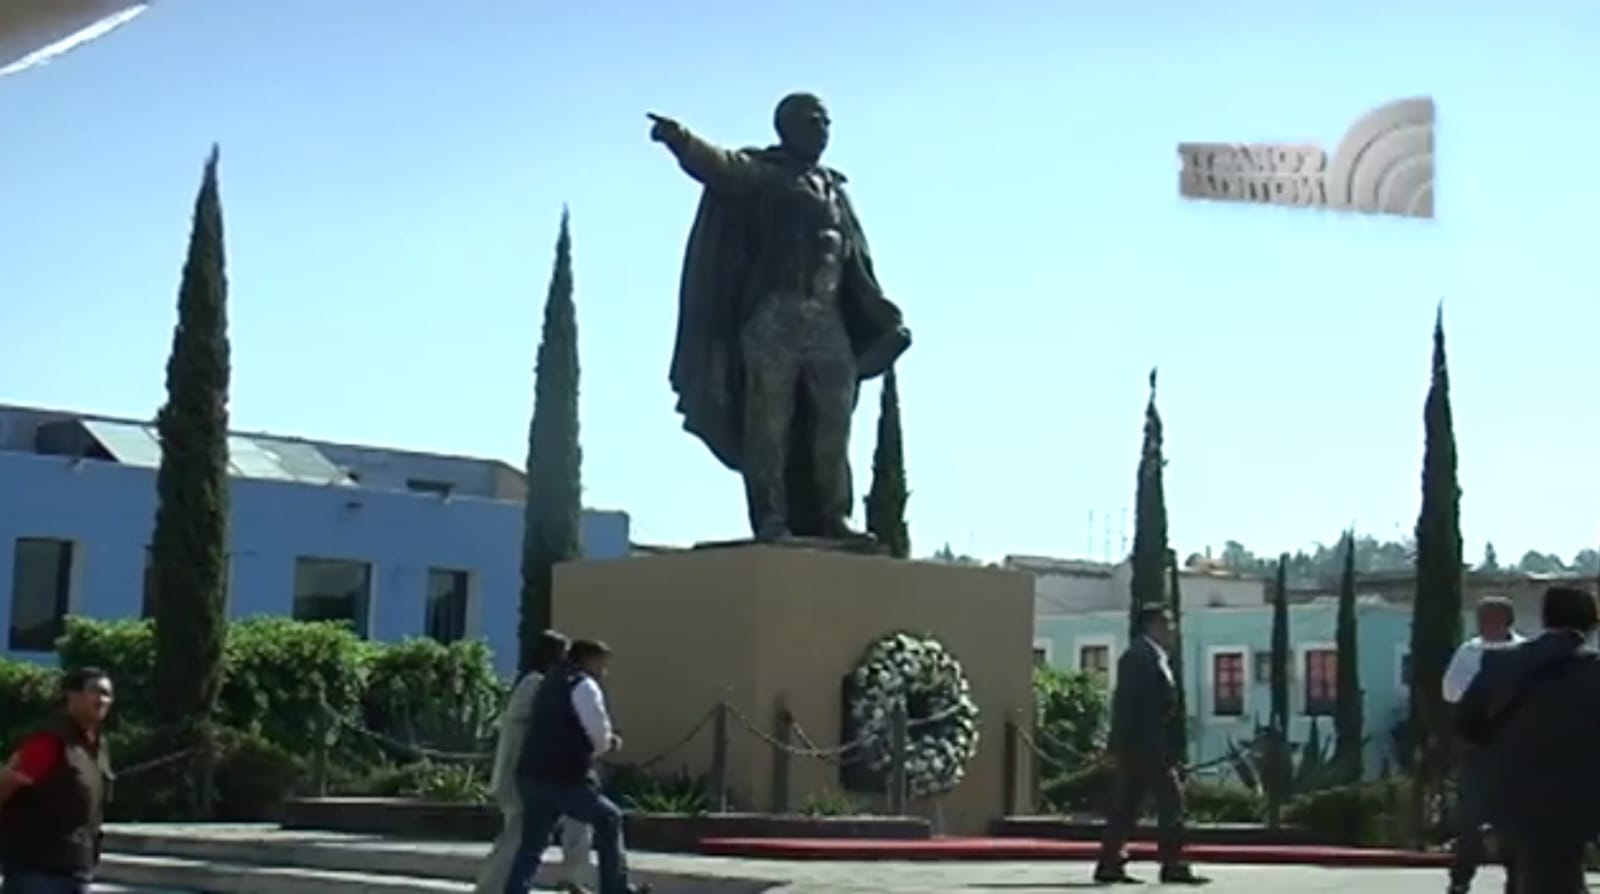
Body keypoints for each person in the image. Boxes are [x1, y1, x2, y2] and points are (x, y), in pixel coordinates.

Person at [647, 93, 911, 542]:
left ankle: (833, 517)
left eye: (828, 122)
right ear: (788, 126)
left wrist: (880, 316)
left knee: (833, 422)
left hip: (828, 320)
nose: (824, 129)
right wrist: (681, 139)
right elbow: (721, 166)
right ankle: (770, 518)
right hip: (776, 316)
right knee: (769, 423)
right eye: (815, 121)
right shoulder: (766, 174)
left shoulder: (834, 188)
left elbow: (856, 262)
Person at [1457, 585, 1600, 894]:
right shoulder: (1593, 671)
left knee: (1537, 874)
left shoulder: (1500, 664)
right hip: (1580, 798)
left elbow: (1465, 726)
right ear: (1592, 623)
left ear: (1545, 618)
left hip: (1513, 797)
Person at [501, 639, 649, 894]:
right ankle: (615, 888)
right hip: (564, 777)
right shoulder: (584, 686)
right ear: (589, 660)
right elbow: (598, 735)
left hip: (532, 774)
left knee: (533, 843)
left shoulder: (549, 682)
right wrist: (611, 743)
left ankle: (515, 889)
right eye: (602, 662)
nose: (605, 670)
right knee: (609, 818)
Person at [1092, 606, 1207, 886]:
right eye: (1168, 624)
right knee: (1171, 802)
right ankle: (1173, 863)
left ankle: (1110, 862)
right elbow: (1125, 705)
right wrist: (1116, 745)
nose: (1173, 630)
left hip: (1148, 745)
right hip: (1143, 746)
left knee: (1128, 806)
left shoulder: (1154, 657)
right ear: (1153, 625)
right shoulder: (1138, 657)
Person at [475, 631, 592, 894]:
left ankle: (572, 879)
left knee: (573, 824)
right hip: (523, 774)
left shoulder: (536, 681)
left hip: (535, 773)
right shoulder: (537, 684)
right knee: (517, 836)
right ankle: (491, 888)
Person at [0, 667, 116, 894]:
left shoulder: (97, 747)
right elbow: (5, 786)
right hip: (38, 871)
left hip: (75, 869)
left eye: (108, 694)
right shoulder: (50, 741)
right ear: (72, 696)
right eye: (96, 691)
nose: (103, 700)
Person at [1442, 596, 1523, 894]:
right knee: (1470, 818)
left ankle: (1515, 879)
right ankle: (1461, 879)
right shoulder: (1469, 651)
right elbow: (1450, 691)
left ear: (1506, 621)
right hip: (1476, 745)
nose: (1484, 625)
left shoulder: (1523, 652)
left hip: (1513, 749)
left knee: (1513, 819)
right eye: (1481, 619)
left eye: (1491, 619)